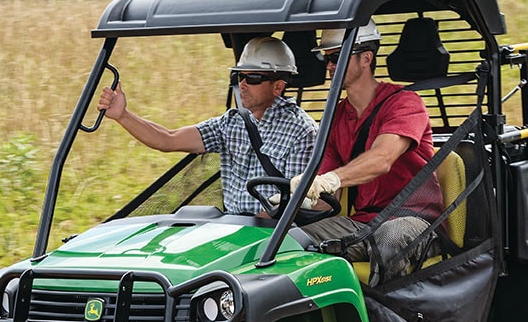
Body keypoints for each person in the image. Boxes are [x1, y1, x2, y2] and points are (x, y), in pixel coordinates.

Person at [295, 20, 444, 283]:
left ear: (366, 58)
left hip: (414, 221)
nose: (329, 66)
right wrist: (296, 198)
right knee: (288, 242)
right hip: (362, 224)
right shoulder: (335, 117)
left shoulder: (405, 103)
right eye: (326, 58)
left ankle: (389, 318)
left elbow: (382, 159)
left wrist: (331, 179)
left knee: (389, 237)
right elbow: (325, 197)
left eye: (336, 57)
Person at [97, 36, 317, 215]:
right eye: (240, 76)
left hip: (274, 233)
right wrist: (123, 115)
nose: (242, 85)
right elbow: (168, 139)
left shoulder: (301, 131)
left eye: (253, 78)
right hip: (231, 226)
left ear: (278, 86)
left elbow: (292, 203)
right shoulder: (232, 122)